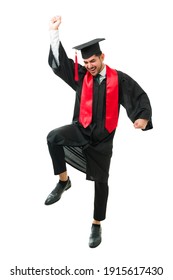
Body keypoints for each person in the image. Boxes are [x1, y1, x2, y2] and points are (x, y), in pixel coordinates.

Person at [45, 15, 153, 248]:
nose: (89, 66)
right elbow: (61, 65)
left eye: (93, 61)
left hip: (102, 140)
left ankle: (96, 224)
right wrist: (54, 33)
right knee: (53, 137)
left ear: (102, 57)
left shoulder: (119, 79)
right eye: (86, 63)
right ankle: (64, 181)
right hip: (81, 130)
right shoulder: (82, 76)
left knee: (101, 183)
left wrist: (142, 118)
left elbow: (139, 96)